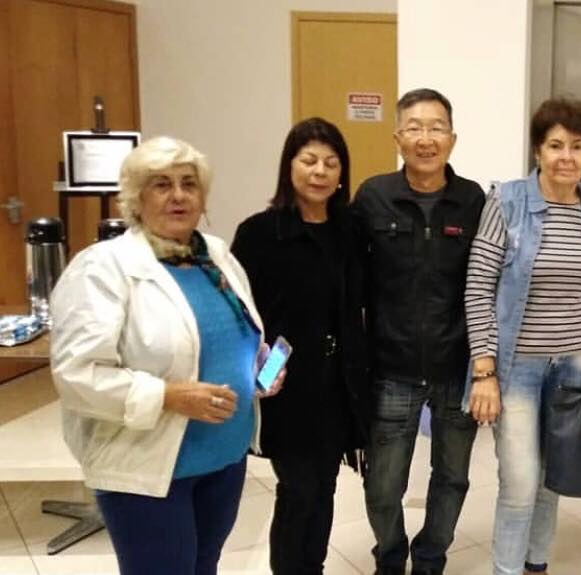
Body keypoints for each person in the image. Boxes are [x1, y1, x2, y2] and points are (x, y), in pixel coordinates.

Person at [49, 136, 281, 575]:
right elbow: (77, 375)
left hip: (224, 458)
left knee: (204, 566)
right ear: (137, 199)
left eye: (189, 184)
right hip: (149, 469)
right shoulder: (103, 267)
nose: (178, 195)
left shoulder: (215, 255)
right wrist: (169, 396)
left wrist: (258, 367)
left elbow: (229, 334)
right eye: (161, 184)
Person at [464, 96, 581, 575]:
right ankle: (506, 569)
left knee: (551, 478)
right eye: (555, 145)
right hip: (517, 366)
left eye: (577, 147)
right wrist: (484, 370)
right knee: (520, 482)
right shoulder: (507, 201)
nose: (566, 156)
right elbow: (478, 286)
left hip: (575, 365)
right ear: (538, 150)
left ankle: (536, 564)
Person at [352, 88, 485, 575]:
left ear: (452, 138)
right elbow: (348, 277)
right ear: (397, 138)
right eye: (414, 128)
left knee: (453, 478)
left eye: (436, 128)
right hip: (392, 368)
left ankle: (430, 558)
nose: (425, 138)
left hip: (456, 366)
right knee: (383, 485)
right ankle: (390, 556)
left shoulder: (472, 200)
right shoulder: (373, 197)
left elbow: (489, 281)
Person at [231, 117, 369, 575]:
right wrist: (253, 367)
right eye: (309, 160)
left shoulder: (351, 231)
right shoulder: (258, 233)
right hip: (284, 378)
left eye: (331, 163)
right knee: (298, 488)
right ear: (288, 166)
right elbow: (236, 311)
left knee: (324, 486)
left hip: (337, 382)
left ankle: (313, 567)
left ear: (342, 173)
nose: (320, 171)